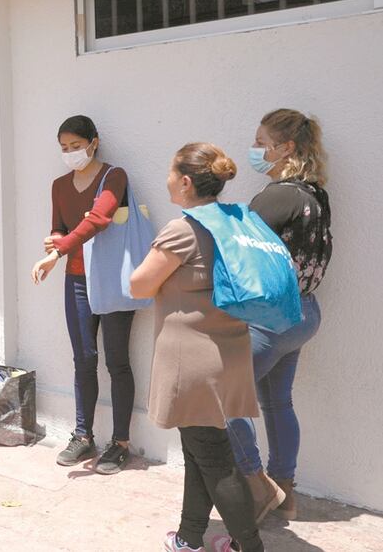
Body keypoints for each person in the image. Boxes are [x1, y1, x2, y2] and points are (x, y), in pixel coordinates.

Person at [130, 143, 263, 552]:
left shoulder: (182, 229)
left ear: (185, 181)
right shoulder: (233, 220)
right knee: (198, 450)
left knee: (214, 458)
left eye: (171, 172)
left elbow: (138, 285)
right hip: (228, 352)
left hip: (194, 362)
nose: (167, 179)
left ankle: (249, 545)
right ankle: (189, 537)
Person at [225, 109, 332, 523]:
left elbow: (239, 253)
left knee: (226, 395)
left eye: (260, 141)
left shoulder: (277, 196)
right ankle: (285, 493)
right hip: (303, 313)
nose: (255, 150)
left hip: (270, 317)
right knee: (275, 400)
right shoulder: (315, 193)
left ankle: (258, 488)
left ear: (284, 148)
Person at [30, 115, 138, 474]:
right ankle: (83, 435)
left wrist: (57, 251)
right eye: (64, 148)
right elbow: (59, 229)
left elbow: (98, 219)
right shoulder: (59, 185)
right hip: (76, 280)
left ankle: (121, 442)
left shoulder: (114, 176)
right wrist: (55, 241)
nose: (70, 153)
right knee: (83, 360)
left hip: (111, 278)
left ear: (94, 142)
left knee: (117, 361)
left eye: (76, 146)